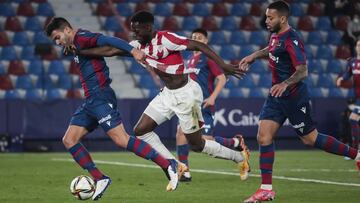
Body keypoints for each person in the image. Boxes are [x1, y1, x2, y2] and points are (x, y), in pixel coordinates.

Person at [75, 10, 250, 182]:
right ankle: (174, 164)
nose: (133, 33)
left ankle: (239, 158)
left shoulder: (166, 39)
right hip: (167, 94)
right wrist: (79, 52)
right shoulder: (138, 45)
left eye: (137, 29)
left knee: (197, 145)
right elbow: (111, 50)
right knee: (140, 130)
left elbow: (199, 45)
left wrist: (223, 65)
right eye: (132, 29)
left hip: (187, 95)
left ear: (149, 28)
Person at [44, 17, 182, 201]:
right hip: (91, 101)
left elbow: (109, 41)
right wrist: (72, 48)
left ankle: (168, 164)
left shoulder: (83, 37)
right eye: (55, 41)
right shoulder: (76, 44)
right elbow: (99, 50)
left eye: (57, 37)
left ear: (67, 30)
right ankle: (100, 178)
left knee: (121, 139)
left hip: (100, 96)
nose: (58, 42)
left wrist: (132, 50)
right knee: (69, 139)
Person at [238, 1, 360, 202]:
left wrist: (285, 83)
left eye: (271, 17)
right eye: (267, 16)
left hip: (294, 96)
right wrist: (254, 55)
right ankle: (266, 189)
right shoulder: (276, 35)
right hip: (276, 95)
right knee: (263, 136)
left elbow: (303, 70)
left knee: (310, 139)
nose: (266, 21)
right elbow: (272, 48)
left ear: (283, 19)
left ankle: (357, 155)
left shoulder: (292, 39)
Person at [175, 28, 249, 182]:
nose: (196, 39)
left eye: (199, 38)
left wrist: (213, 97)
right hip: (188, 105)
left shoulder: (207, 57)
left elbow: (222, 78)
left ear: (205, 41)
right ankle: (184, 170)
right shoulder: (188, 58)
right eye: (193, 37)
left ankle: (235, 143)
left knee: (205, 140)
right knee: (181, 135)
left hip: (204, 104)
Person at [336, 38, 360, 151]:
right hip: (358, 98)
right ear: (355, 47)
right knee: (353, 119)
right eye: (358, 45)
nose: (359, 47)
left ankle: (355, 149)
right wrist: (341, 78)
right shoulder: (353, 62)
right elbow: (347, 74)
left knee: (353, 119)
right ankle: (356, 149)